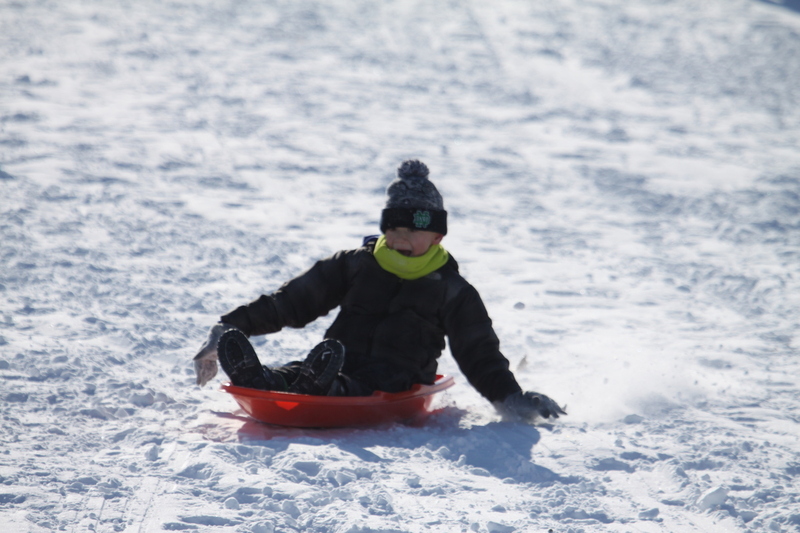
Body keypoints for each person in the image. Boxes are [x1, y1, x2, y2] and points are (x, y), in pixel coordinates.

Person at [193, 160, 565, 422]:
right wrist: (230, 327)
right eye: (394, 228)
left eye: (413, 230)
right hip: (333, 360)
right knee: (302, 370)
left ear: (437, 235)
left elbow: (479, 354)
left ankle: (318, 386)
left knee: (348, 383)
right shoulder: (356, 264)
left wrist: (512, 398)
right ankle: (267, 380)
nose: (401, 237)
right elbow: (292, 302)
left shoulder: (454, 291)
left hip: (393, 380)